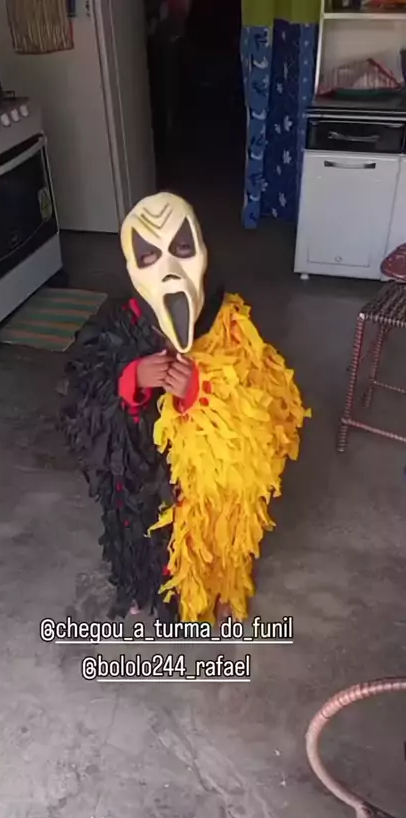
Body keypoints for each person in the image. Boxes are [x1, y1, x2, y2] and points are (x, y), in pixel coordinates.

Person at [61, 192, 309, 624]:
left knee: (216, 526)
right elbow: (81, 400)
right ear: (132, 267)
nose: (169, 269)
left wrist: (203, 393)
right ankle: (140, 584)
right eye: (149, 255)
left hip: (202, 491)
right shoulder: (119, 324)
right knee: (138, 525)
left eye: (181, 248)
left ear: (202, 250)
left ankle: (222, 585)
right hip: (145, 481)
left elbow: (266, 417)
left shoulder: (229, 325)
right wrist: (132, 380)